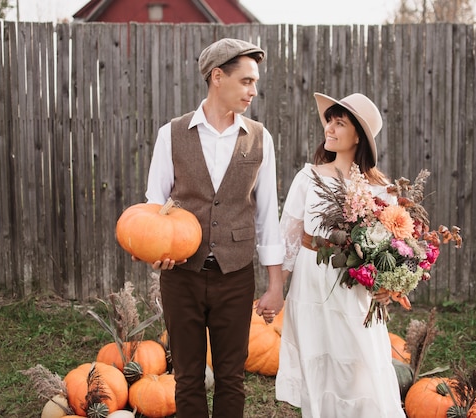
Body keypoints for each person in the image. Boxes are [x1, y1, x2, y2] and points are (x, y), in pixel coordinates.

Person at [144, 38, 285, 418]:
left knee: (231, 378)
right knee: (187, 376)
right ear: (217, 77)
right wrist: (157, 255)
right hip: (181, 278)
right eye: (246, 81)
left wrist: (275, 286)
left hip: (235, 277)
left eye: (255, 82)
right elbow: (154, 207)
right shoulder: (170, 134)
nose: (253, 91)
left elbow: (268, 213)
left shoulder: (259, 138)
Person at [275, 92, 406, 417]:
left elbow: (393, 249)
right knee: (318, 367)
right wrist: (275, 289)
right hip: (311, 284)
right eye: (329, 121)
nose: (329, 129)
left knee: (359, 369)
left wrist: (390, 285)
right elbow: (288, 242)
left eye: (339, 123)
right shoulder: (308, 178)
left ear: (358, 135)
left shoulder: (380, 192)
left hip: (352, 290)